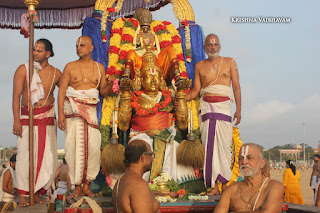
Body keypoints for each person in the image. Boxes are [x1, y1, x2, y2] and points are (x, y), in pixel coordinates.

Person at [58, 35, 114, 198]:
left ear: (91, 48)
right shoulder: (70, 67)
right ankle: (76, 186)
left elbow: (102, 92)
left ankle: (87, 185)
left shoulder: (99, 68)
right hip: (73, 113)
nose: (78, 48)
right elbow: (62, 90)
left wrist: (109, 83)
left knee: (94, 148)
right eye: (77, 45)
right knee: (73, 149)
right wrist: (60, 113)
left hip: (90, 113)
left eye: (82, 45)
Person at [185, 33, 241, 194]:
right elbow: (195, 91)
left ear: (220, 46)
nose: (213, 47)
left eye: (215, 44)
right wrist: (181, 98)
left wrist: (239, 109)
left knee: (223, 147)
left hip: (223, 108)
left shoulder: (230, 62)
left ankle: (226, 184)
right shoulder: (200, 66)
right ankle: (214, 186)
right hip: (207, 108)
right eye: (209, 44)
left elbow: (236, 86)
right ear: (204, 48)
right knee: (209, 147)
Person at [12, 38, 62, 206]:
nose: (34, 53)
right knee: (24, 156)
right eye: (34, 49)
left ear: (48, 54)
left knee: (48, 158)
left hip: (46, 118)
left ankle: (38, 192)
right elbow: (16, 97)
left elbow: (66, 92)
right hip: (27, 118)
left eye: (39, 50)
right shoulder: (23, 70)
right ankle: (23, 196)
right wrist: (16, 121)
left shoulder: (56, 73)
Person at [214, 143, 284, 213]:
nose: (244, 162)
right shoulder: (231, 190)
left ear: (262, 163)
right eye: (240, 158)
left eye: (250, 158)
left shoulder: (274, 187)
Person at [112, 139, 159, 213]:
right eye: (151, 155)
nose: (152, 160)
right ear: (143, 157)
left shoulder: (120, 180)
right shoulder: (139, 185)